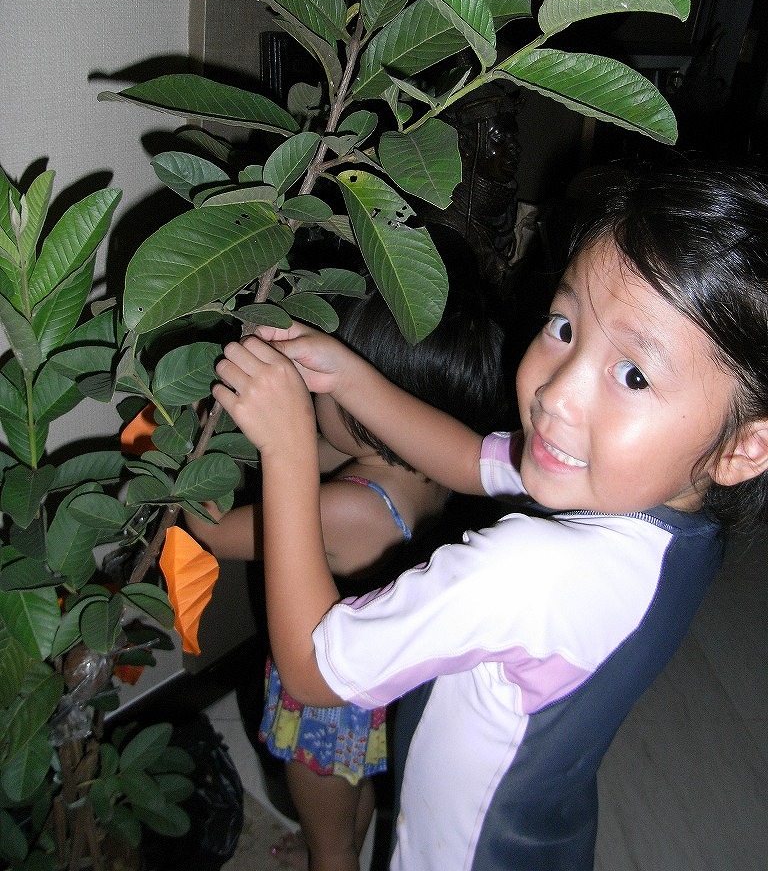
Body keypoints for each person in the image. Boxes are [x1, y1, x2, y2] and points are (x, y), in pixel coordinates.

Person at [209, 161, 768, 871]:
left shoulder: (530, 571)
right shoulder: (677, 511)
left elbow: (315, 671)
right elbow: (475, 459)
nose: (556, 394)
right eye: (564, 326)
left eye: (633, 375)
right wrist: (348, 377)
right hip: (541, 827)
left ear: (744, 447)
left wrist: (288, 449)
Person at [184, 286, 507, 871]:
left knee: (328, 839)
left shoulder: (350, 508)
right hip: (371, 687)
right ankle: (338, 843)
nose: (313, 394)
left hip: (324, 709)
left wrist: (185, 454)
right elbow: (323, 449)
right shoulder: (426, 467)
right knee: (348, 798)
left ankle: (331, 855)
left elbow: (214, 532)